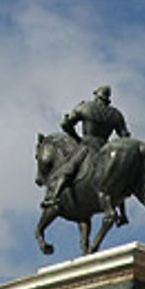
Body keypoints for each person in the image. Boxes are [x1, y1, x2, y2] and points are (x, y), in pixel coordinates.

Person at [41, 85, 132, 221]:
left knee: (67, 169)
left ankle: (54, 198)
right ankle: (123, 213)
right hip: (105, 149)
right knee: (114, 178)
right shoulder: (116, 114)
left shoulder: (86, 107)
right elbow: (124, 136)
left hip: (87, 146)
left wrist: (76, 137)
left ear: (96, 95)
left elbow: (65, 124)